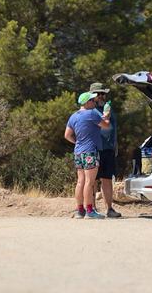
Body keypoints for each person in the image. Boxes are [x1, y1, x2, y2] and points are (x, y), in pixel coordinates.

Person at [64, 91, 111, 219]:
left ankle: (80, 211)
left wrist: (77, 142)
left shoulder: (73, 116)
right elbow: (106, 126)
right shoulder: (91, 114)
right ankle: (90, 211)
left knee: (80, 182)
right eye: (92, 101)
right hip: (90, 151)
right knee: (89, 182)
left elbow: (67, 135)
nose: (94, 102)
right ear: (86, 103)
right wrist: (106, 115)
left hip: (78, 152)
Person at [89, 82, 122, 218]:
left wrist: (115, 145)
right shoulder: (90, 110)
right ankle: (92, 209)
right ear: (93, 96)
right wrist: (105, 116)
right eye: (99, 94)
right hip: (95, 149)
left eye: (104, 93)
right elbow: (102, 125)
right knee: (92, 180)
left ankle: (109, 209)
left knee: (107, 179)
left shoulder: (108, 108)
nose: (102, 96)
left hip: (108, 149)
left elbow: (112, 128)